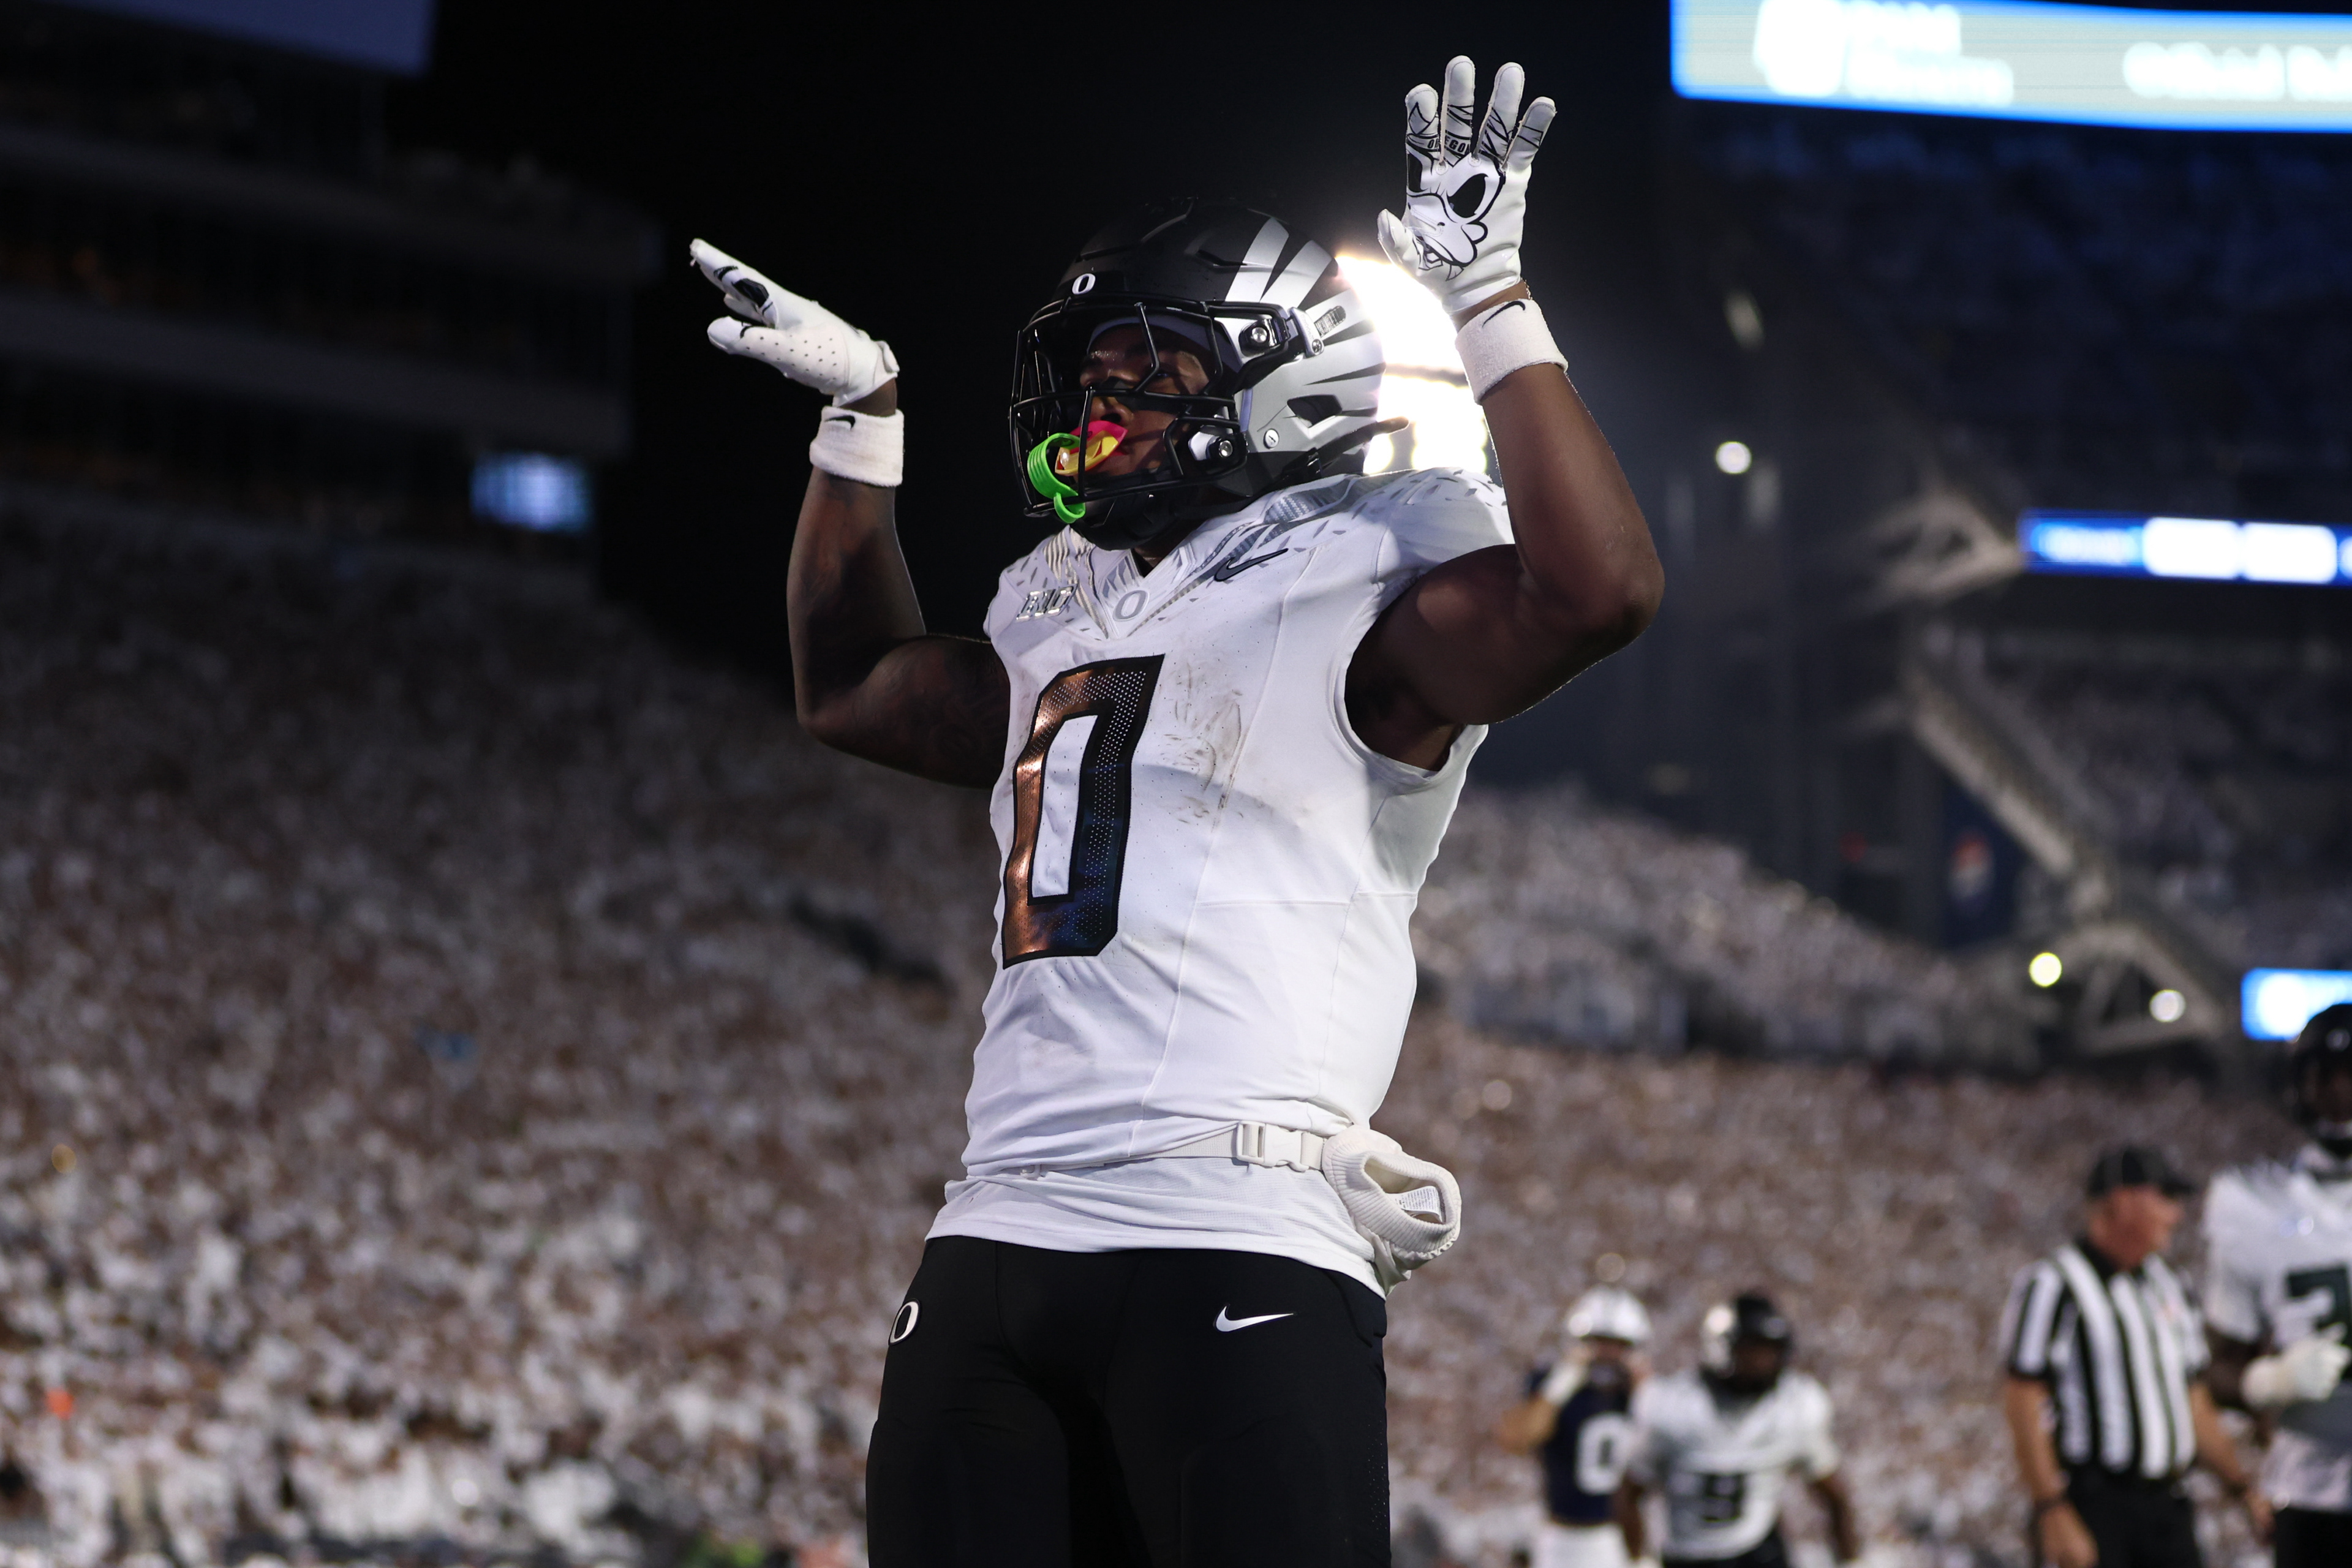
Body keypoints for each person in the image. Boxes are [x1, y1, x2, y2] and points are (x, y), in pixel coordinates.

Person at [695, 54, 1662, 1568]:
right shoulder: (1057, 598)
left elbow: (1598, 589)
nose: (1101, 407)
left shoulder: (1370, 563)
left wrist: (1489, 304)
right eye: (1093, 376)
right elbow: (854, 687)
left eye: (1146, 372)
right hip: (996, 1222)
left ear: (1278, 380)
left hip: (1231, 1218)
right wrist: (862, 426)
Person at [1999, 1145, 2267, 1568]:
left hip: (2168, 1506)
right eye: (2164, 1199)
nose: (2175, 1215)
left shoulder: (2170, 1285)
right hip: (2095, 1503)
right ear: (2123, 1202)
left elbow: (2192, 1400)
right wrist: (2050, 1508)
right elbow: (2023, 1398)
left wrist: (2242, 1489)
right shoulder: (2055, 1284)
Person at [2204, 1003, 2352, 1568]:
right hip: (2310, 1491)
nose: (2341, 1095)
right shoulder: (2253, 1203)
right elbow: (2216, 1369)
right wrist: (2272, 1380)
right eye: (2328, 1078)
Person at [1616, 1294, 1858, 1568]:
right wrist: (1638, 1560)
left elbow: (1834, 1496)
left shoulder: (1794, 1406)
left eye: (1770, 1351)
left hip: (1758, 1551)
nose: (1762, 1361)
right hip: (1687, 1554)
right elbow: (1629, 1492)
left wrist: (1851, 1561)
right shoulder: (1670, 1404)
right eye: (1751, 1349)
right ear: (1721, 1348)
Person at [1497, 1286, 1654, 1568]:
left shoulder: (1638, 1395)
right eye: (1598, 1342)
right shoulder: (1556, 1388)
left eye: (1618, 1345)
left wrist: (1646, 1395)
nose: (1607, 1354)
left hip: (1623, 1536)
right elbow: (1516, 1439)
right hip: (1562, 1536)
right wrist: (1558, 1388)